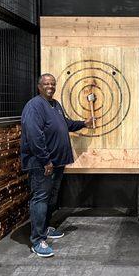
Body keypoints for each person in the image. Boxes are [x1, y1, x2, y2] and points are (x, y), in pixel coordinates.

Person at [21, 73, 94, 257]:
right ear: (39, 86)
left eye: (53, 84)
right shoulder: (34, 106)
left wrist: (84, 123)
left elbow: (66, 124)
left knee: (50, 198)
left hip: (57, 163)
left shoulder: (55, 105)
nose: (50, 86)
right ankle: (37, 240)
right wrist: (45, 160)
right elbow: (33, 135)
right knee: (40, 198)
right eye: (46, 83)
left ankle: (45, 229)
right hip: (43, 164)